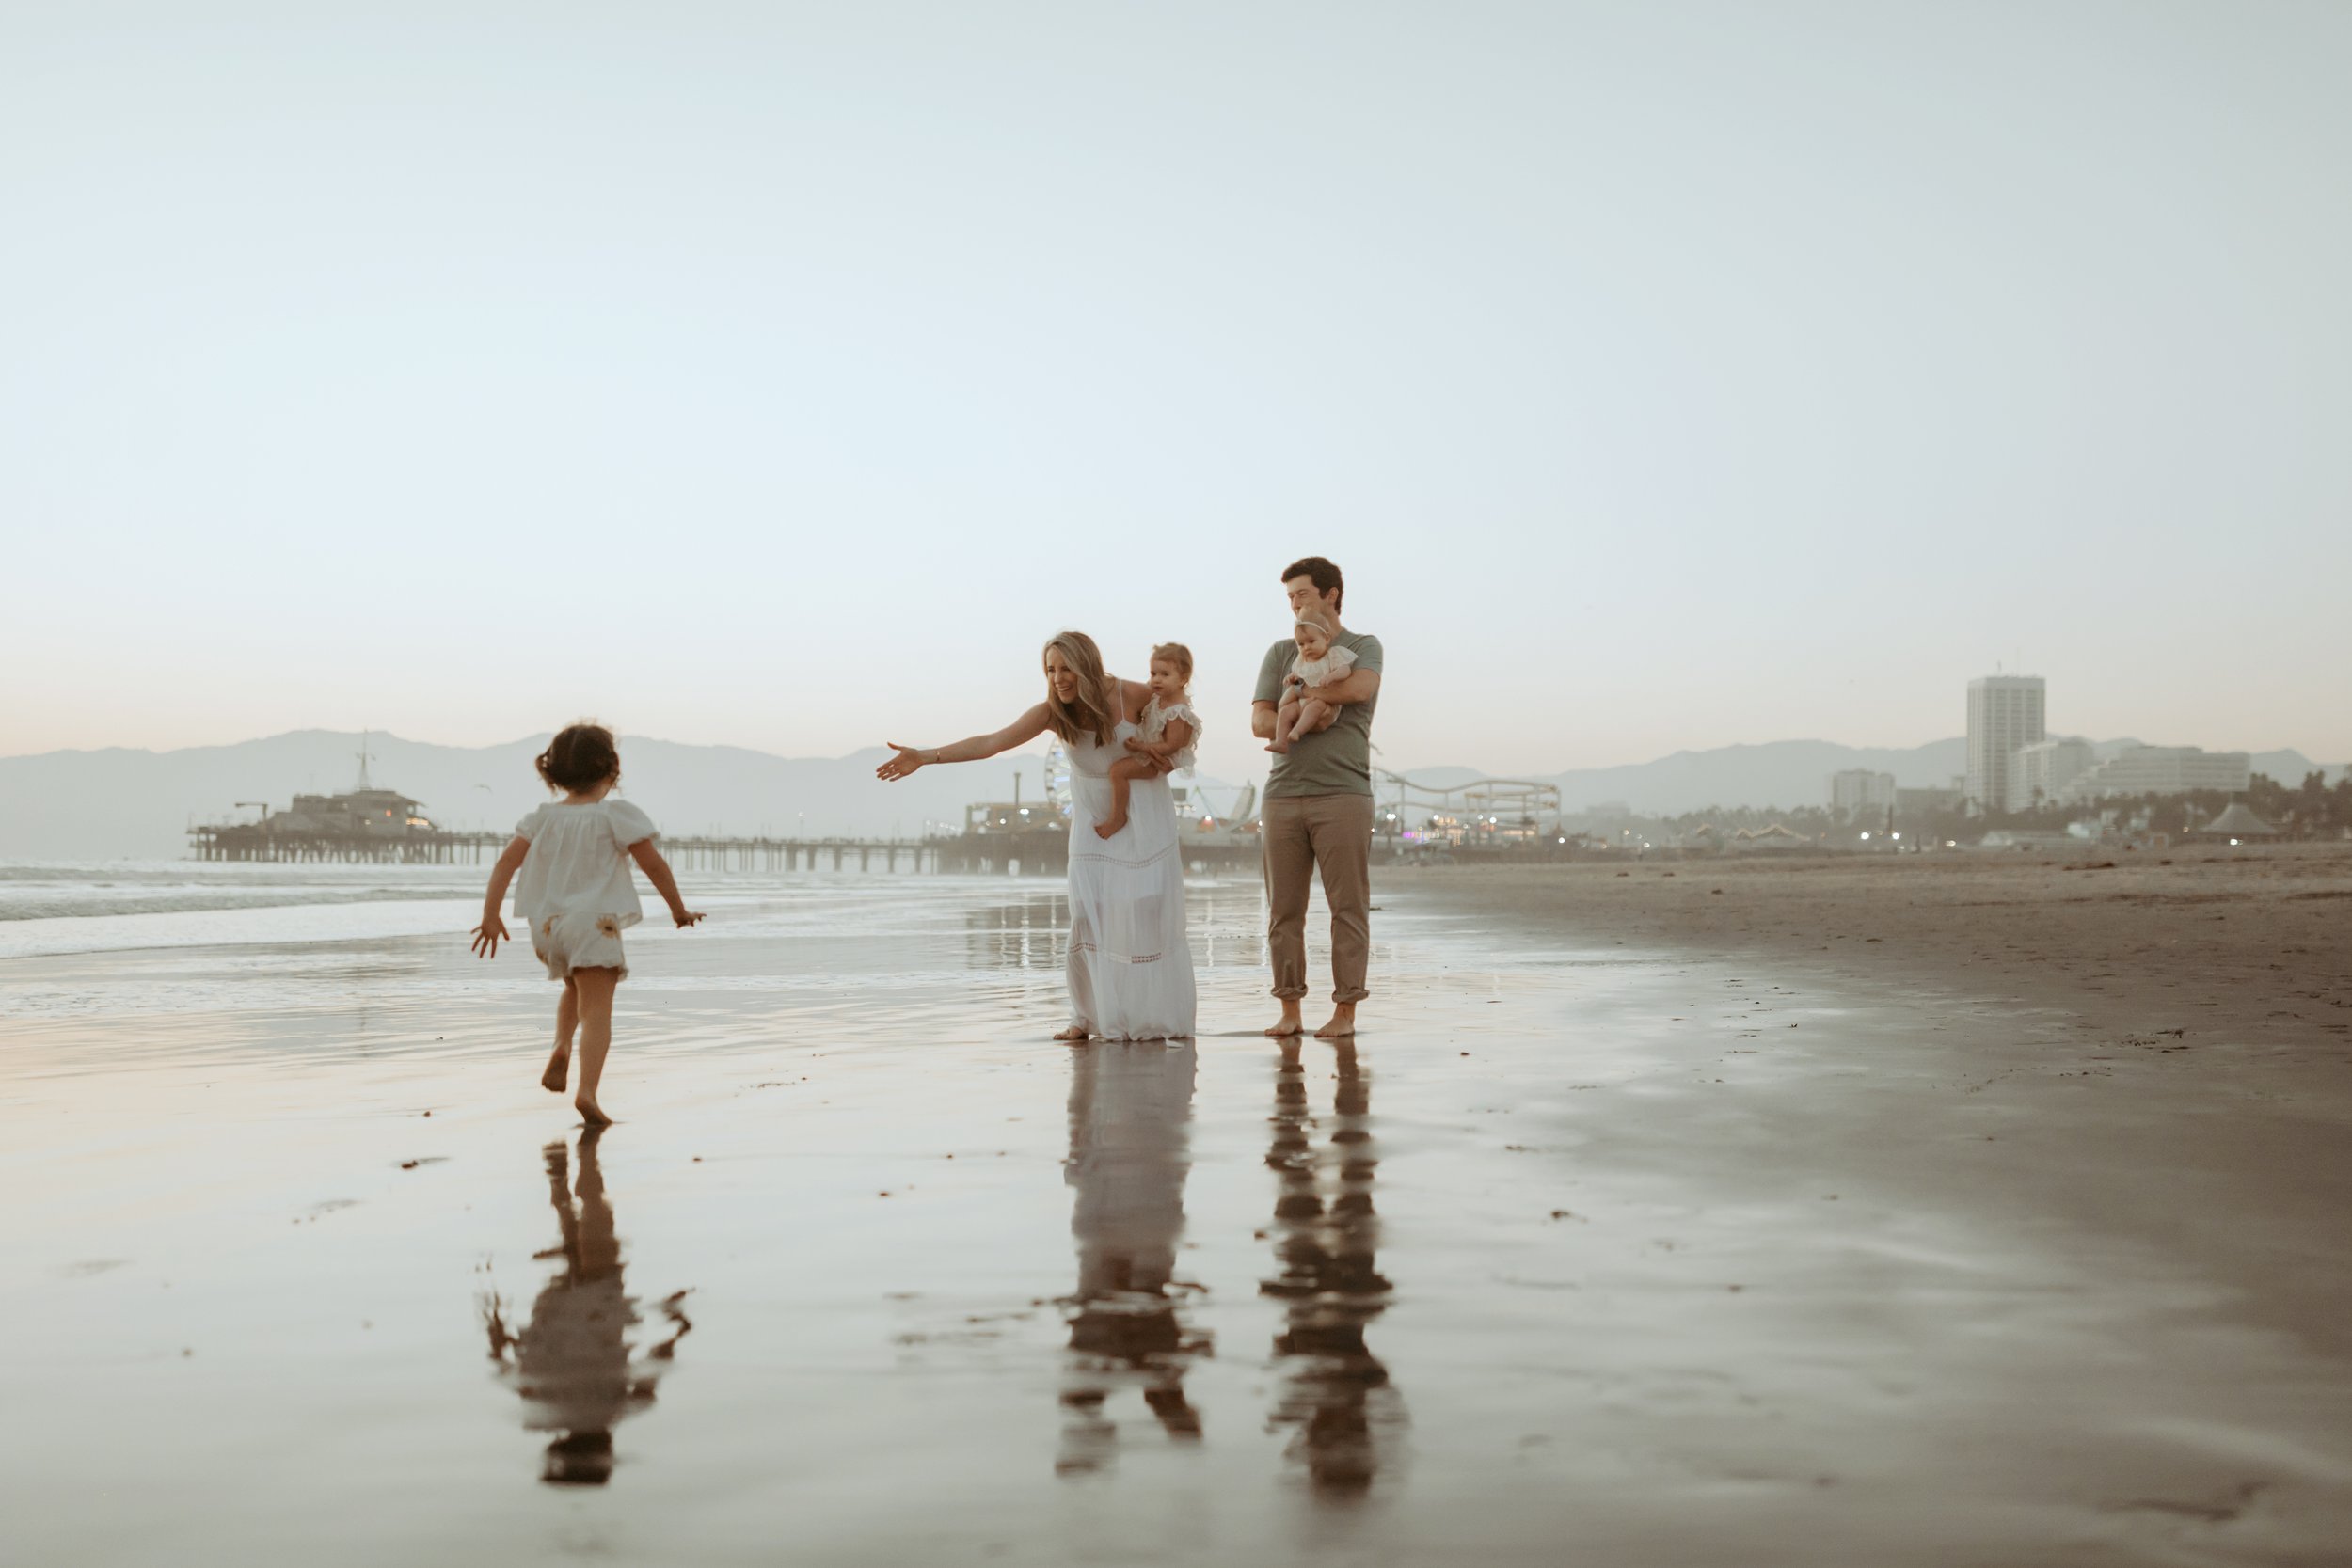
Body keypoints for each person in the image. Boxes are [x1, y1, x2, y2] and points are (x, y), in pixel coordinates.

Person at [878, 631, 1197, 1041]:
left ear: (1088, 665)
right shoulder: (1052, 712)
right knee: (1086, 915)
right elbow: (992, 743)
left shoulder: (1130, 695)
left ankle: (1151, 1015)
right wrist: (925, 755)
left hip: (1143, 812)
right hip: (1092, 821)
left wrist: (1167, 760)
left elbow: (1178, 727)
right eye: (1050, 669)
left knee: (1143, 914)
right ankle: (1086, 1018)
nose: (1059, 678)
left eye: (1066, 668)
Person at [471, 722, 704, 1124]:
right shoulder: (615, 815)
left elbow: (506, 863)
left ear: (555, 772)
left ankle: (561, 1045)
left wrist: (490, 915)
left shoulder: (540, 818)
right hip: (593, 924)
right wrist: (678, 909)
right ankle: (588, 1093)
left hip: (547, 928)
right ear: (612, 769)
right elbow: (652, 863)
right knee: (598, 1011)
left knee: (575, 988)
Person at [1249, 557, 1383, 1040]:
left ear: (1331, 594)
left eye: (1302, 594)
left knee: (1348, 908)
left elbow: (1363, 686)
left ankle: (1345, 1012)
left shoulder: (1362, 646)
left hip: (1344, 793)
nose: (1294, 604)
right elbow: (1261, 723)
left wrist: (1304, 698)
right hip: (1282, 795)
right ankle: (1289, 1010)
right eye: (1289, 598)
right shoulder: (1282, 651)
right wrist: (1315, 705)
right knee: (1283, 911)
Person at [1095, 642, 1200, 840]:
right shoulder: (1159, 697)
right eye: (1153, 674)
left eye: (1164, 675)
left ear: (1183, 679)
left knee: (1118, 771)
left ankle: (1118, 817)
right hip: (1153, 753)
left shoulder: (1177, 711)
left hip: (1158, 761)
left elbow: (1172, 745)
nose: (1156, 680)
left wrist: (1141, 747)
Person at [1266, 607, 1356, 753]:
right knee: (1285, 712)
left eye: (1311, 641)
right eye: (1301, 644)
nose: (1306, 647)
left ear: (1326, 639)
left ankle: (1297, 731)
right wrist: (1291, 677)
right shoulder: (1302, 661)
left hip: (1322, 701)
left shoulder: (1332, 655)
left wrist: (1332, 676)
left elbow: (1345, 670)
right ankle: (1281, 742)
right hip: (1301, 701)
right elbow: (1298, 676)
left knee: (1314, 708)